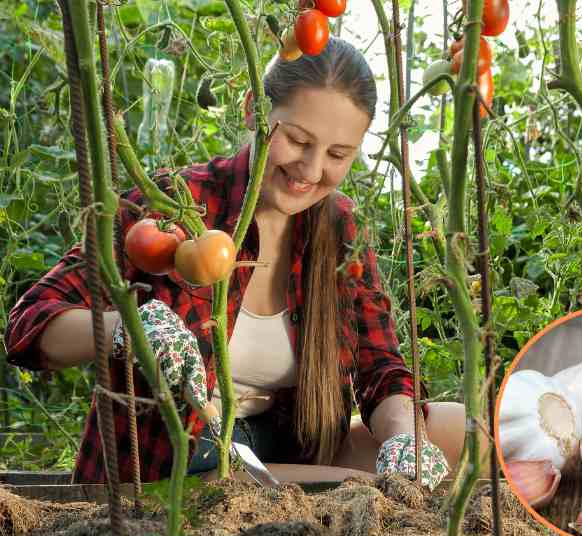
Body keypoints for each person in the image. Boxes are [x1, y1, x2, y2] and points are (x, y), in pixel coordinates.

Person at [4, 38, 476, 489]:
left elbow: (381, 369)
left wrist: (403, 439)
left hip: (290, 447)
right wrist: (126, 329)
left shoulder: (341, 228)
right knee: (346, 487)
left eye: (337, 154)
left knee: (453, 429)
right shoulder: (173, 209)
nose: (311, 171)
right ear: (254, 108)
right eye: (296, 140)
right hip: (182, 460)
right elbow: (29, 323)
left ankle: (337, 483)